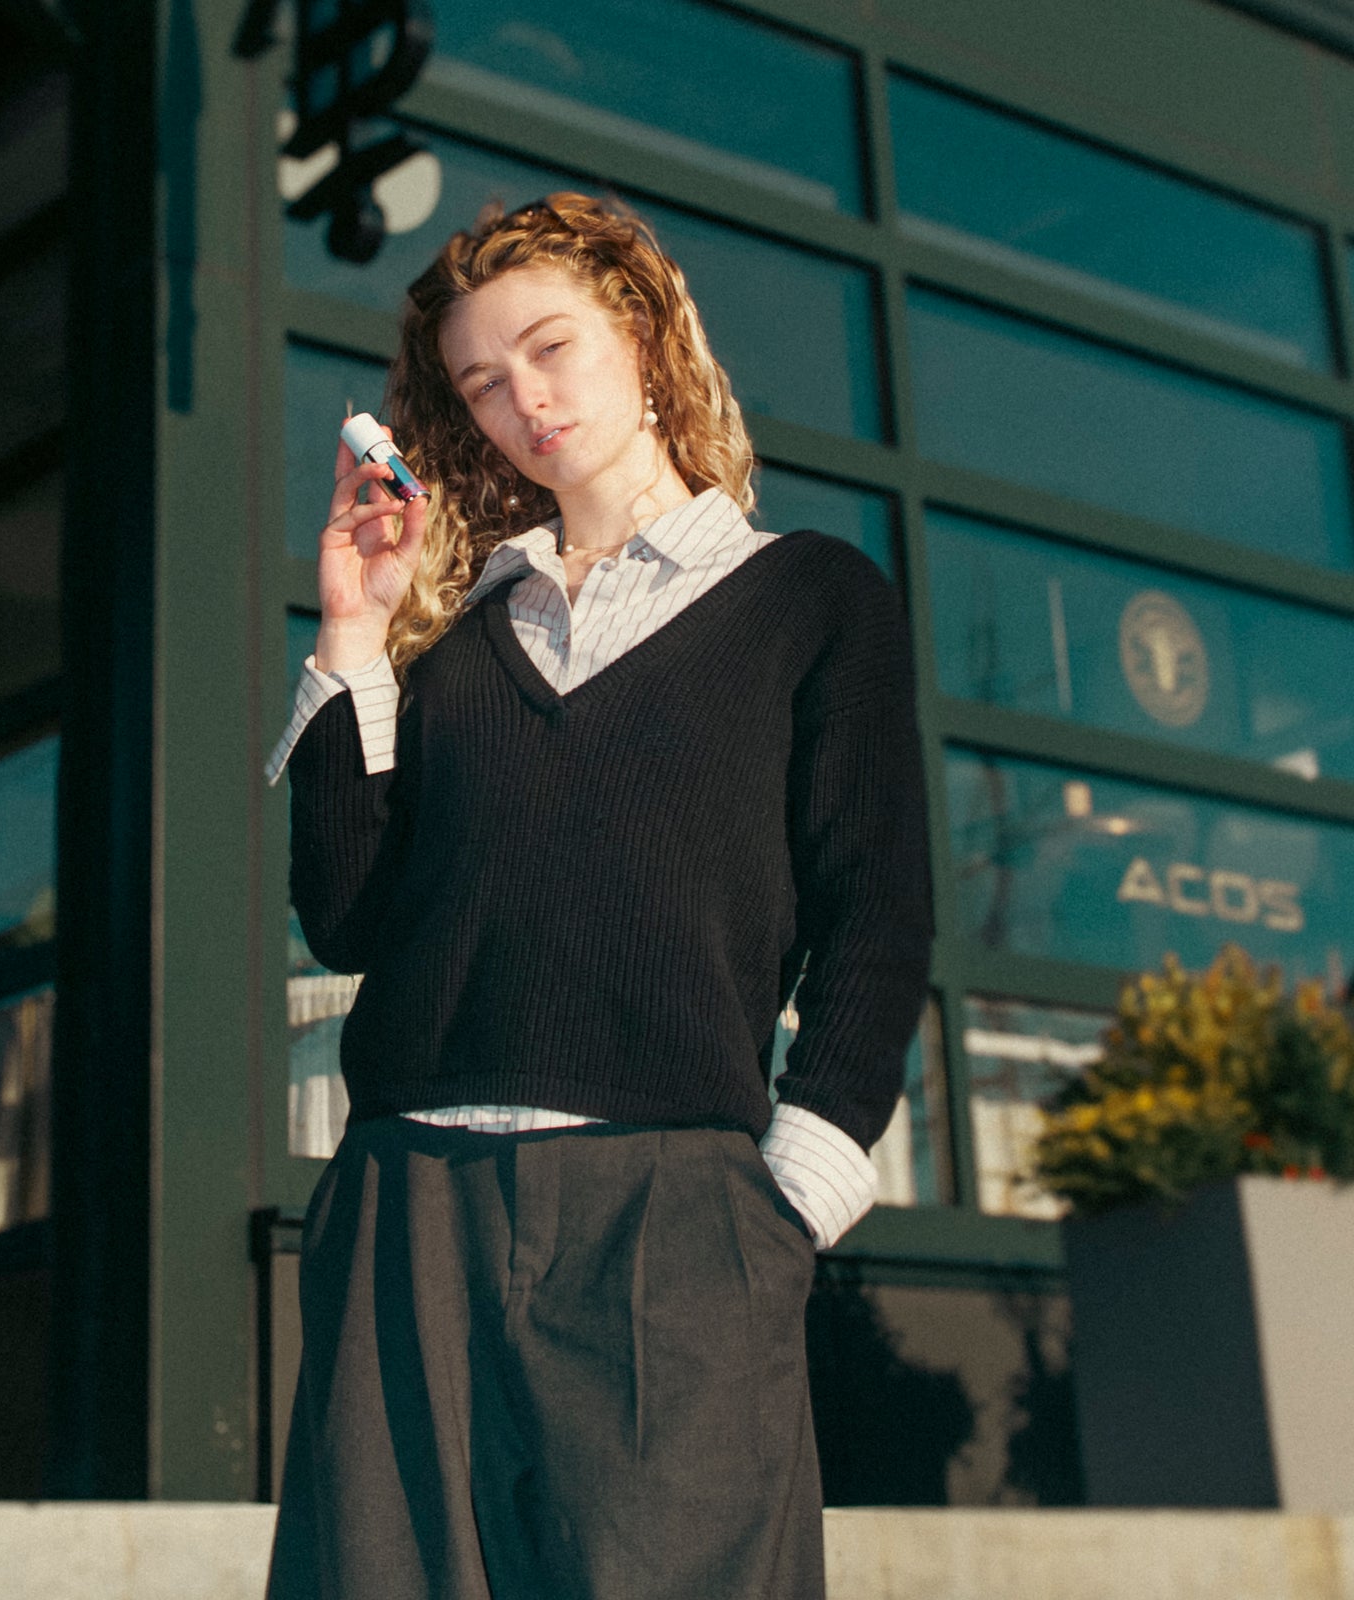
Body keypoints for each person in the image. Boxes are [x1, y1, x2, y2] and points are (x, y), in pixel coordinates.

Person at [263, 192, 932, 1600]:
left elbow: (877, 906)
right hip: (409, 1208)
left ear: (637, 330)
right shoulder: (452, 654)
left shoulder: (810, 598)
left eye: (551, 348)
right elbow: (349, 916)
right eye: (481, 383)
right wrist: (353, 634)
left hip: (673, 1212)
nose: (526, 402)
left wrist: (791, 1192)